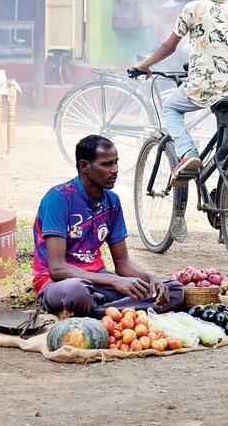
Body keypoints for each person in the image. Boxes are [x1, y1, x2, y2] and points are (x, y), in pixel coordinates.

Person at [132, 0, 228, 201]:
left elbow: (169, 46)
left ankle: (188, 153)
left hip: (203, 86)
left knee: (170, 106)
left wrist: (144, 65)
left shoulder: (193, 8)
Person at [33, 135, 185, 318]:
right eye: (106, 164)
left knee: (173, 290)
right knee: (77, 292)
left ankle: (97, 311)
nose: (115, 170)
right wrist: (113, 280)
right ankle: (116, 310)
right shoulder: (58, 199)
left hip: (99, 282)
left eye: (116, 163)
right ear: (84, 167)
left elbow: (123, 263)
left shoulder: (112, 202)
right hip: (59, 284)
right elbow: (57, 268)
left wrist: (151, 278)